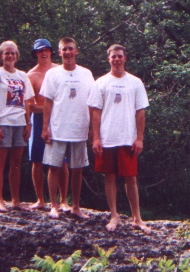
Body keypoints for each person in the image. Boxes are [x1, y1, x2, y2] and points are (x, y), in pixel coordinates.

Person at [88, 44, 151, 234]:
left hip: (127, 138)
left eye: (119, 56)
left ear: (125, 58)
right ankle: (114, 215)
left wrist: (139, 138)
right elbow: (95, 113)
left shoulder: (135, 82)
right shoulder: (100, 82)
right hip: (107, 138)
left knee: (131, 178)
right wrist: (96, 138)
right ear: (108, 59)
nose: (116, 59)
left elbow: (140, 112)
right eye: (113, 56)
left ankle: (137, 218)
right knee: (110, 177)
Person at [40, 37, 94, 219]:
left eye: (71, 49)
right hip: (57, 128)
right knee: (54, 166)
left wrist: (94, 128)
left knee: (77, 168)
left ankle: (76, 206)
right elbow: (47, 102)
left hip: (80, 128)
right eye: (64, 49)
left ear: (76, 51)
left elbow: (93, 102)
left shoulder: (86, 73)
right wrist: (45, 127)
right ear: (60, 52)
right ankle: (54, 205)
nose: (68, 52)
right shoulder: (52, 74)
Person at [0, 41, 35, 212]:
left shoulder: (22, 76)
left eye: (13, 53)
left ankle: (16, 200)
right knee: (0, 162)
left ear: (17, 55)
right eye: (6, 53)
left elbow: (28, 102)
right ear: (1, 55)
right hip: (2, 122)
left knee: (16, 163)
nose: (10, 56)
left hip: (19, 123)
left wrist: (29, 123)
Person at [27, 39, 70, 211]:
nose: (43, 53)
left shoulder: (60, 71)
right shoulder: (30, 75)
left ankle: (64, 200)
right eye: (39, 51)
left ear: (52, 52)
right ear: (35, 53)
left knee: (62, 161)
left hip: (59, 120)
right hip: (38, 121)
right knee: (37, 161)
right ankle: (40, 199)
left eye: (46, 50)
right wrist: (47, 108)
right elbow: (30, 105)